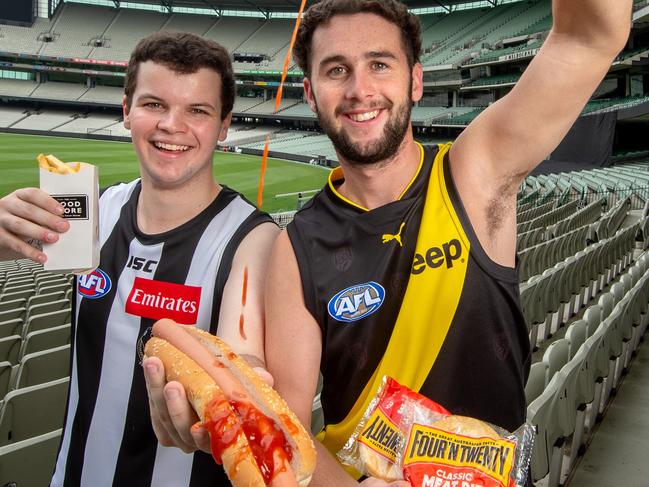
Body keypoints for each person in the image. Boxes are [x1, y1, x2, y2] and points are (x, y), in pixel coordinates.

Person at [263, 0, 633, 486]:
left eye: (379, 64)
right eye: (337, 70)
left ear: (415, 80)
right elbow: (287, 435)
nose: (360, 89)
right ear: (310, 93)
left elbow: (589, 36)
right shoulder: (295, 248)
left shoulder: (475, 174)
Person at [0, 32, 278, 486]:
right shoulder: (94, 210)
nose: (173, 125)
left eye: (198, 111)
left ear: (224, 124)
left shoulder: (252, 238)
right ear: (126, 109)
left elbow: (242, 352)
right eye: (154, 104)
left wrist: (241, 388)